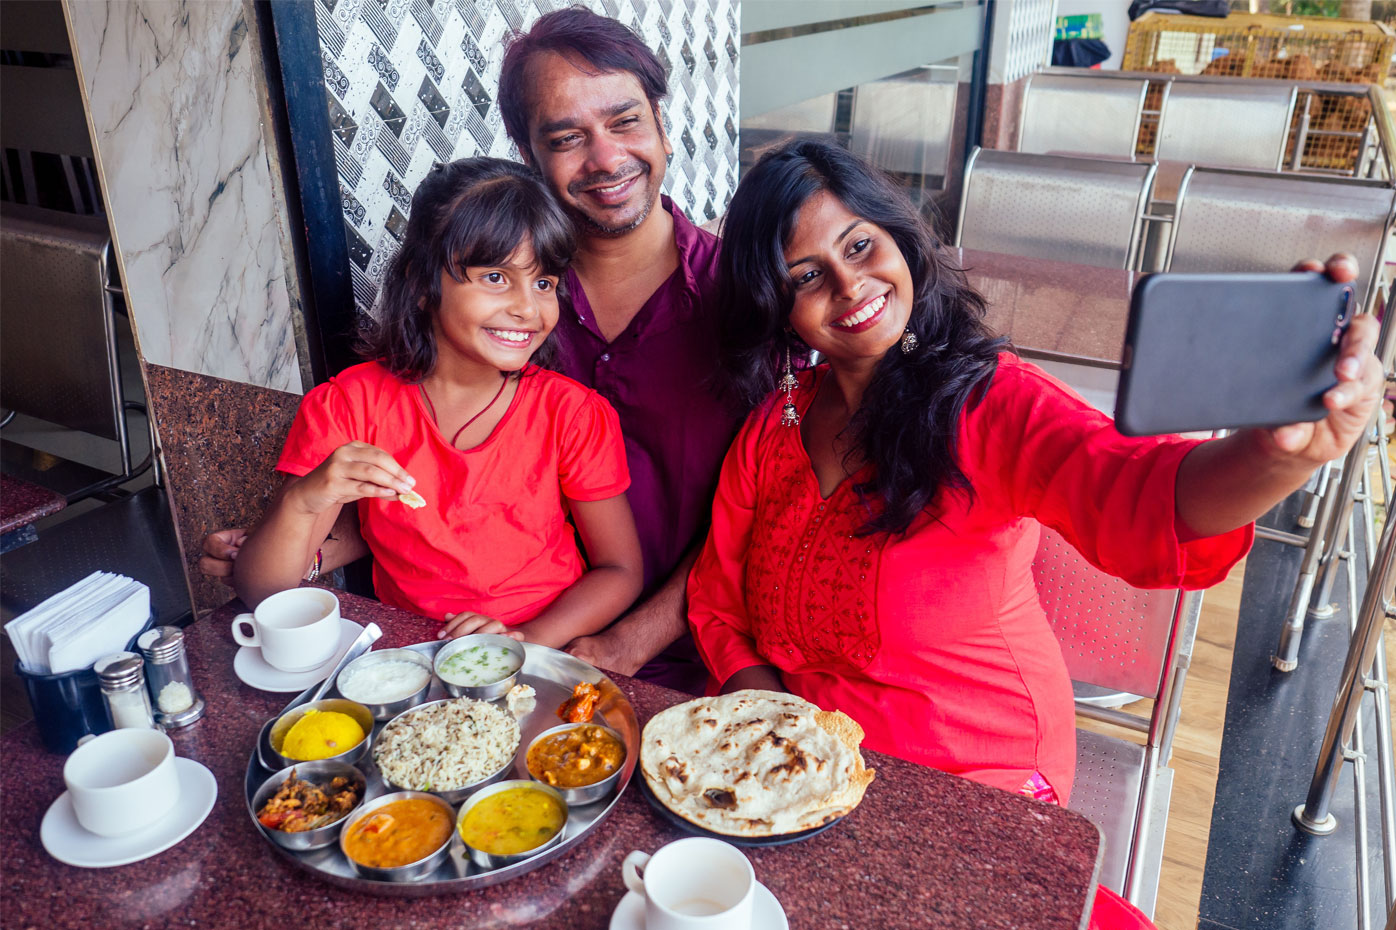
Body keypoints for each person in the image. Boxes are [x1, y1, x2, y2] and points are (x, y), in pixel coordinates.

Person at [688, 139, 1381, 803]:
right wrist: (776, 724)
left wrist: (1274, 455)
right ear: (776, 309)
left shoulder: (986, 404)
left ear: (900, 241)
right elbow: (720, 602)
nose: (849, 285)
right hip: (810, 765)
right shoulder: (775, 428)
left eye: (860, 245)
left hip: (974, 777)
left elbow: (1131, 492)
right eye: (806, 276)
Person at [205, 9, 733, 693]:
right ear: (529, 151)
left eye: (625, 120)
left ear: (661, 120)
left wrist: (595, 642)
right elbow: (424, 509)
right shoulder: (391, 386)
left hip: (670, 649)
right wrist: (297, 534)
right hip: (425, 659)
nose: (604, 157)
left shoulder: (743, 297)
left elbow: (771, 503)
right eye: (567, 136)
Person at [233, 157, 643, 649]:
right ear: (424, 283)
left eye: (544, 283)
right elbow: (263, 594)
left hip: (539, 650)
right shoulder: (350, 405)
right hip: (410, 653)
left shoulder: (572, 415)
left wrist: (524, 638)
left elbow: (620, 571)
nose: (528, 308)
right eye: (495, 277)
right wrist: (304, 501)